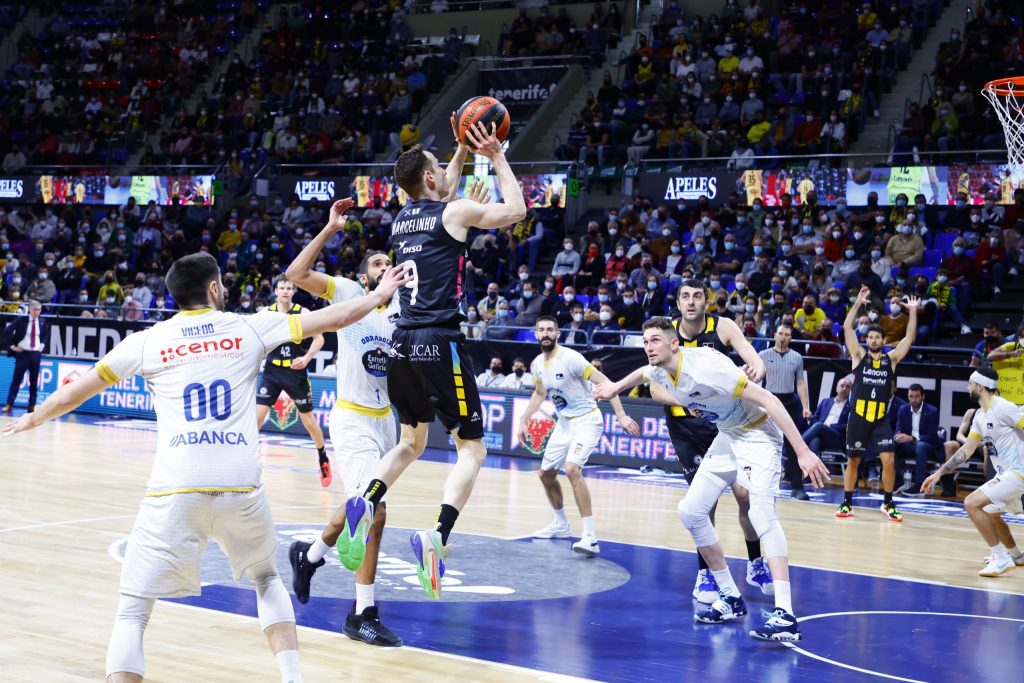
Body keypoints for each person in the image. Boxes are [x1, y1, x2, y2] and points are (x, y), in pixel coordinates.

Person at [1, 252, 411, 683]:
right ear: (214, 289)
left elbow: (75, 392)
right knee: (267, 578)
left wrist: (34, 417)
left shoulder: (148, 340)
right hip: (240, 487)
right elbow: (339, 315)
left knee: (133, 610)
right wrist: (382, 293)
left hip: (175, 490)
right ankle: (292, 678)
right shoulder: (248, 325)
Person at [338, 121, 527, 600]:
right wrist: (495, 154)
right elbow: (518, 209)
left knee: (409, 442)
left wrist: (461, 150)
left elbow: (439, 193)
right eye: (439, 168)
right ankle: (436, 538)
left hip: (402, 342)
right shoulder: (455, 211)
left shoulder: (401, 220)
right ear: (428, 179)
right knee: (473, 449)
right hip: (438, 341)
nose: (446, 172)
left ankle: (366, 498)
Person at [595, 318, 829, 642]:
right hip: (728, 436)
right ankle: (731, 596)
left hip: (759, 433)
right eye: (645, 341)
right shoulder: (659, 368)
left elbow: (771, 400)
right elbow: (643, 373)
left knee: (761, 513)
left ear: (673, 344)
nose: (648, 347)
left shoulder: (707, 369)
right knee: (690, 511)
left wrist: (802, 451)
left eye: (655, 341)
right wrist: (614, 388)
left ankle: (786, 615)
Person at [282, 200, 403, 647]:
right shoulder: (351, 292)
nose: (386, 266)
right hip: (352, 419)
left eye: (390, 262)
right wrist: (330, 229)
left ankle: (310, 556)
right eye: (378, 263)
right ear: (366, 275)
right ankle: (362, 613)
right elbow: (296, 274)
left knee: (366, 512)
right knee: (374, 512)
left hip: (387, 423)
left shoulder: (403, 312)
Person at [666, 279, 773, 605]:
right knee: (704, 504)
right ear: (679, 302)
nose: (691, 302)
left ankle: (755, 563)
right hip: (686, 428)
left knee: (745, 496)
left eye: (697, 296)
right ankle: (706, 574)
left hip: (724, 425)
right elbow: (653, 381)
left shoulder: (723, 326)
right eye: (685, 296)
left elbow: (757, 363)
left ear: (706, 302)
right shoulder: (667, 333)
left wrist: (754, 372)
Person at [520, 316, 640, 556]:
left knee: (572, 469)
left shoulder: (571, 359)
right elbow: (539, 392)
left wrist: (621, 415)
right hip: (563, 424)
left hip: (587, 420)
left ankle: (590, 537)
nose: (545, 333)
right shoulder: (536, 364)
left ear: (557, 334)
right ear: (535, 334)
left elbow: (607, 383)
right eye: (541, 330)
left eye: (550, 330)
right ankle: (561, 524)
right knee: (545, 475)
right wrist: (523, 420)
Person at [922, 368, 1024, 576]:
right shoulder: (979, 415)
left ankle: (1000, 557)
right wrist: (939, 473)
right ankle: (1016, 555)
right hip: (1004, 474)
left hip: (1018, 472)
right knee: (990, 512)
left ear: (980, 386)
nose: (967, 387)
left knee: (971, 503)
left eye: (970, 383)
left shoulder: (1004, 407)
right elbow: (966, 450)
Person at [836, 287, 920, 522]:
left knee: (889, 461)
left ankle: (888, 502)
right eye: (870, 337)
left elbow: (909, 338)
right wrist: (858, 303)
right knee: (853, 460)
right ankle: (847, 502)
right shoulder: (858, 356)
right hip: (859, 417)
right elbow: (846, 328)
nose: (873, 340)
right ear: (867, 339)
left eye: (877, 338)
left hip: (881, 419)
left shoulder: (890, 359)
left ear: (883, 341)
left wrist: (912, 312)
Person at [254, 277, 330, 486]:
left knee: (308, 422)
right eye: (282, 288)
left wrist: (306, 358)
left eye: (289, 288)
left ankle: (323, 456)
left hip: (294, 372)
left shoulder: (303, 313)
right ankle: (246, 458)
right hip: (272, 370)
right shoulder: (266, 313)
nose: (286, 291)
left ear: (293, 291)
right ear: (276, 291)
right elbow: (253, 338)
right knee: (256, 419)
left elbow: (319, 339)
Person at [758, 323, 813, 499]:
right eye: (780, 333)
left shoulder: (797, 357)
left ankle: (797, 487)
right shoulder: (763, 356)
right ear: (774, 335)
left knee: (793, 445)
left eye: (787, 334)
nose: (783, 337)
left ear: (790, 338)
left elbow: (800, 383)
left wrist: (805, 406)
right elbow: (756, 380)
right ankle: (761, 485)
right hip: (769, 401)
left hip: (790, 403)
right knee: (765, 444)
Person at [894, 384, 940, 496]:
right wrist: (898, 436)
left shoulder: (932, 411)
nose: (913, 399)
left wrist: (913, 438)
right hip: (907, 445)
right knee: (891, 443)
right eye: (911, 396)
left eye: (917, 396)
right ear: (908, 397)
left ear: (923, 396)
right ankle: (897, 479)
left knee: (920, 446)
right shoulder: (903, 409)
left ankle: (920, 484)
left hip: (926, 445)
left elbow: (932, 436)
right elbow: (898, 428)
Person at [3, 300, 48, 414]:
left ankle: (32, 405)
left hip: (35, 354)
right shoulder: (21, 320)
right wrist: (13, 346)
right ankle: (9, 404)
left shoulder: (42, 321)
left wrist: (42, 345)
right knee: (16, 380)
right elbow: (8, 330)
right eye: (34, 309)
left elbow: (45, 335)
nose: (36, 312)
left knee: (34, 381)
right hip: (23, 354)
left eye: (38, 310)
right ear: (29, 309)